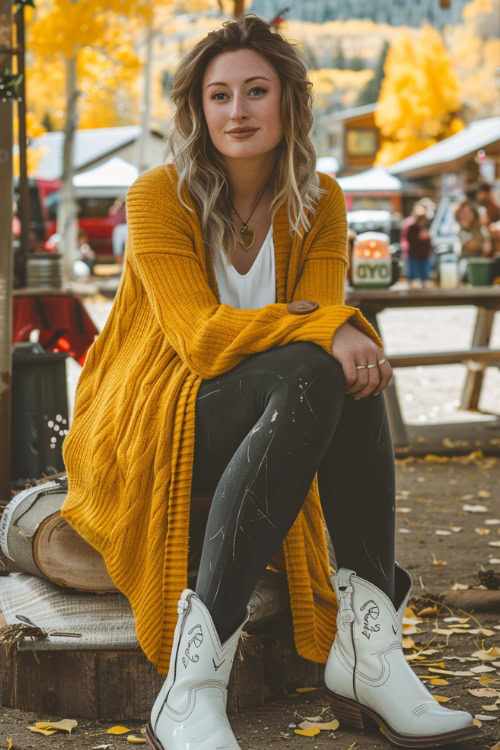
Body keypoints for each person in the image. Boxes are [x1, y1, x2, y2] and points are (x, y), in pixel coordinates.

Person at [60, 16, 476, 750]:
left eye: (256, 91)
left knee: (338, 370)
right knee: (325, 356)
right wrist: (327, 323)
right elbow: (199, 339)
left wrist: (335, 329)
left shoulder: (321, 200)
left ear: (289, 102)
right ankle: (192, 683)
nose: (238, 111)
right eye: (218, 96)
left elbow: (325, 338)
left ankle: (370, 652)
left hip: (278, 416)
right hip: (153, 411)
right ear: (198, 111)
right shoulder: (159, 195)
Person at [455, 199, 492, 281]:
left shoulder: (481, 229)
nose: (465, 216)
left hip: (478, 261)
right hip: (464, 261)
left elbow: (487, 248)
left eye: (468, 213)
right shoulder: (459, 229)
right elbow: (466, 244)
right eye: (463, 213)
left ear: (474, 214)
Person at [406, 204, 434, 288]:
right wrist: (419, 237)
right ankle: (414, 280)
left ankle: (425, 280)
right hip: (414, 254)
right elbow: (409, 239)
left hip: (424, 254)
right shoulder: (412, 228)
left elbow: (429, 241)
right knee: (414, 269)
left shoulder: (427, 228)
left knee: (424, 269)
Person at [108, 195, 128, 262]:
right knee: (117, 245)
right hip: (118, 227)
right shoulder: (116, 208)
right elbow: (111, 213)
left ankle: (127, 260)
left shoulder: (125, 208)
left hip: (126, 226)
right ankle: (119, 261)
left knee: (127, 245)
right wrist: (118, 203)